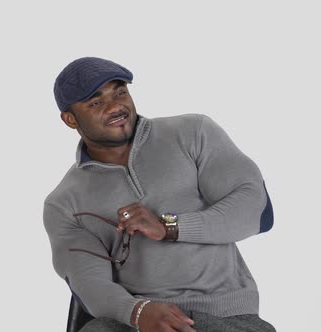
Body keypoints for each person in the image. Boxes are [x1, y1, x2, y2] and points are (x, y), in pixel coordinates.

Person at [44, 57, 276, 332]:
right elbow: (89, 284)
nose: (116, 106)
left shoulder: (192, 133)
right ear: (70, 119)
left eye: (120, 92)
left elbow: (258, 211)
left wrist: (170, 227)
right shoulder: (65, 203)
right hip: (135, 322)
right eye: (96, 102)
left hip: (224, 317)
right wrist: (139, 312)